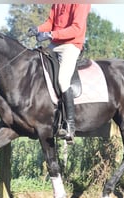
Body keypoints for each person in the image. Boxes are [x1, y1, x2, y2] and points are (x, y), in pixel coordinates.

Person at [28, 4, 91, 144]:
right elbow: (51, 22)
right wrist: (38, 29)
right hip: (54, 45)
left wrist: (50, 34)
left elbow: (76, 28)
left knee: (63, 80)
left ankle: (70, 125)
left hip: (71, 45)